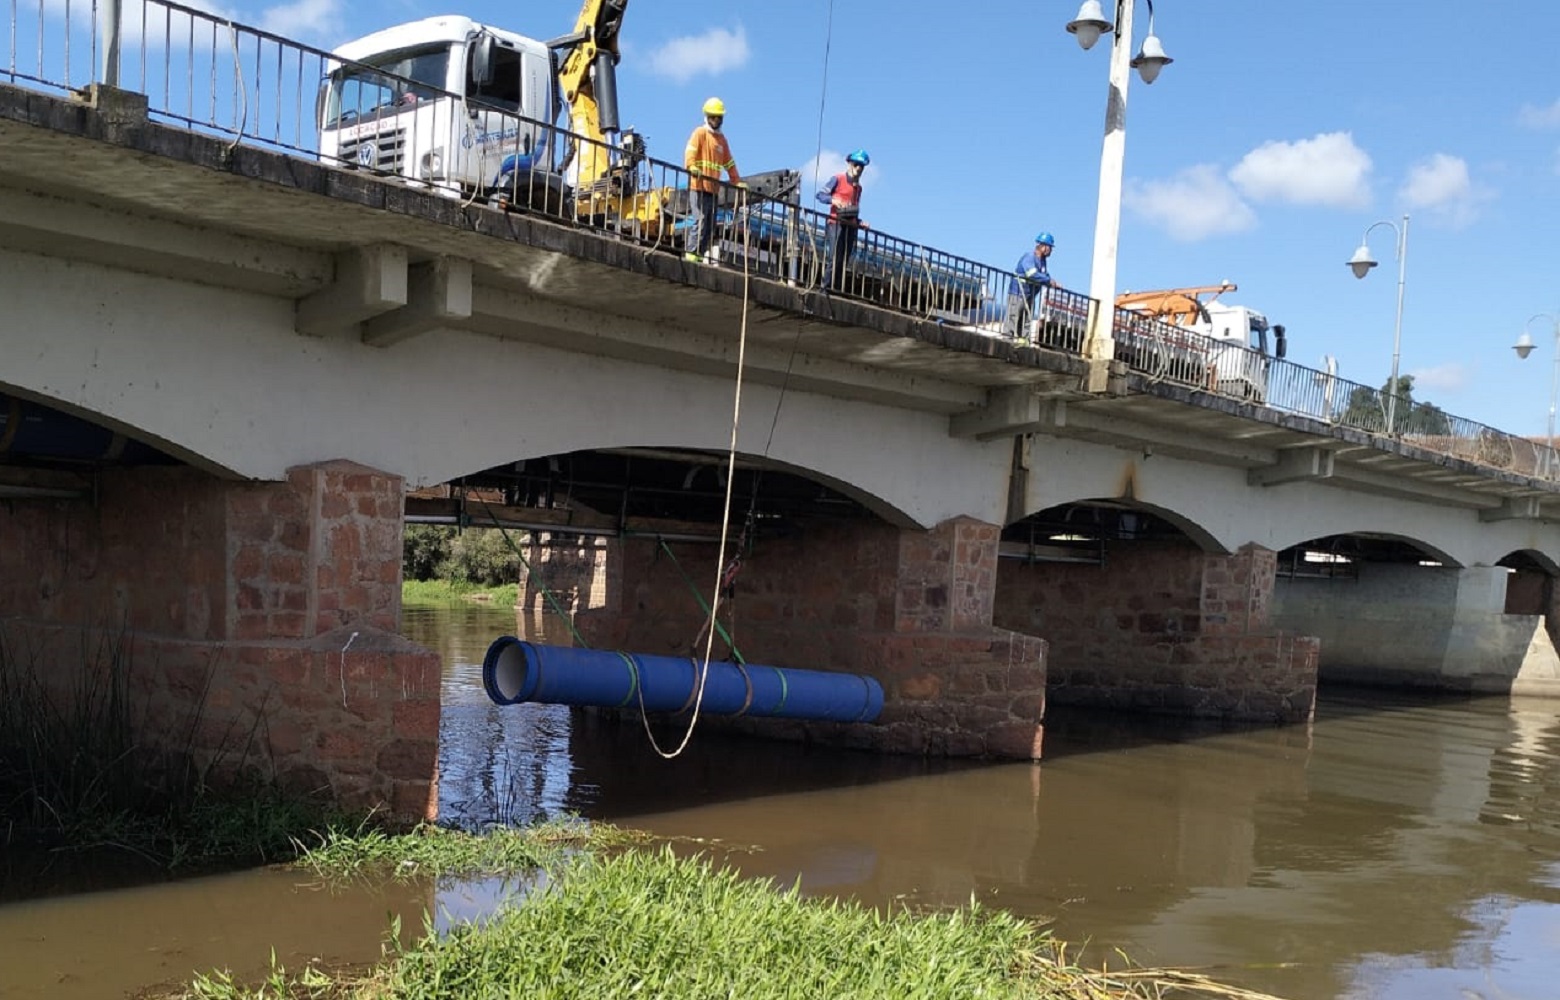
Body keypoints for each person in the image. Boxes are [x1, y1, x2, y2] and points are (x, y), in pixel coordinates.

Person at [683, 97, 742, 263]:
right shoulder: (700, 133)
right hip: (698, 186)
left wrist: (736, 180)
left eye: (718, 117)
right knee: (700, 219)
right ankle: (691, 253)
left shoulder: (722, 140)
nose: (715, 120)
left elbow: (729, 162)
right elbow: (690, 152)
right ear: (707, 116)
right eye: (712, 117)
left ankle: (700, 254)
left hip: (713, 189)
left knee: (709, 224)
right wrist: (691, 166)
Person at [816, 149, 870, 291]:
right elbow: (820, 195)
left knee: (844, 259)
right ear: (850, 164)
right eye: (856, 165)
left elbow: (853, 210)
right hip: (836, 223)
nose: (858, 169)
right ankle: (825, 287)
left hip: (850, 226)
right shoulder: (838, 179)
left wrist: (859, 223)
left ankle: (836, 288)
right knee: (835, 257)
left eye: (861, 166)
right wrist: (833, 200)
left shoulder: (858, 188)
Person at [1004, 231, 1060, 339]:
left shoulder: (1042, 261)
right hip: (1018, 292)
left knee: (1026, 319)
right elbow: (1032, 274)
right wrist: (1048, 281)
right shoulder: (1029, 257)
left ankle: (1023, 341)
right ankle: (1007, 338)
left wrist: (1052, 282)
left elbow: (1043, 275)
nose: (1051, 251)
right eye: (1050, 247)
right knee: (1013, 316)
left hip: (1030, 294)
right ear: (1043, 246)